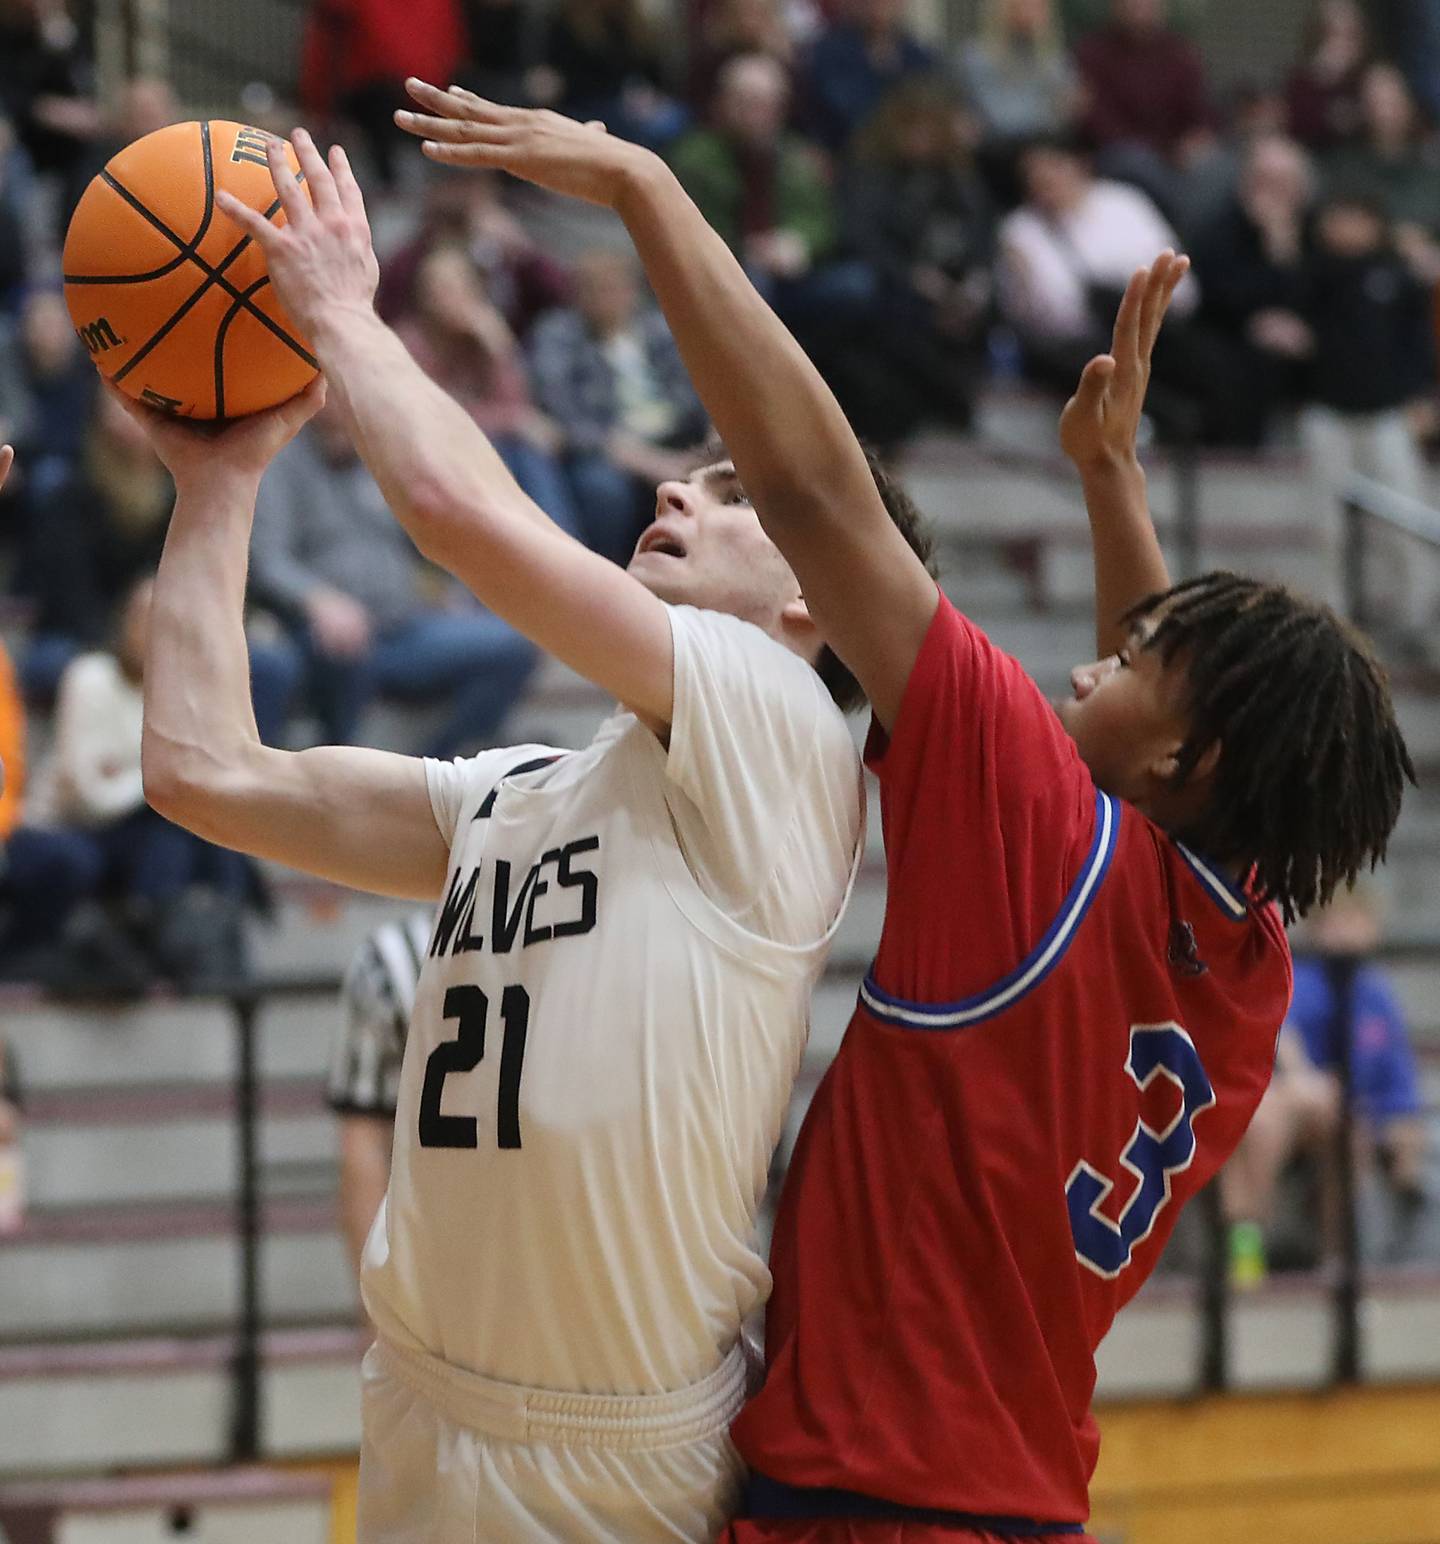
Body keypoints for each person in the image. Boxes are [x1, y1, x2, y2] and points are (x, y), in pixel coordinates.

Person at [398, 84, 1413, 1542]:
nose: (1085, 658)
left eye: (1125, 661)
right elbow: (1174, 757)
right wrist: (1112, 481)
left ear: (1189, 757)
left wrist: (648, 192)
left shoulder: (1038, 828)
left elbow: (815, 489)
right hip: (1007, 1495)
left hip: (870, 1502)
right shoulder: (1245, 962)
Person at [135, 124, 933, 1543]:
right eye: (686, 472)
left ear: (818, 607)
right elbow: (204, 774)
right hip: (423, 1406)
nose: (680, 487)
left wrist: (338, 311)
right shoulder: (521, 791)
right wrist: (222, 482)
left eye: (734, 492)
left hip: (610, 1445)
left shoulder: (793, 737)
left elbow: (456, 511)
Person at [248, 393, 540, 757]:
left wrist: (443, 589)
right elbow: (267, 560)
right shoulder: (279, 462)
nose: (344, 399)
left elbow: (423, 541)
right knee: (340, 648)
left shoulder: (381, 457)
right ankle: (339, 770)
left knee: (511, 646)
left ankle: (443, 769)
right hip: (325, 632)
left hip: (404, 625)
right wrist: (317, 599)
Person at [1224, 885, 1431, 1281]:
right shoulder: (1298, 980)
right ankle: (1244, 1254)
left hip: (1344, 1114)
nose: (1345, 933)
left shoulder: (1377, 995)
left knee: (1350, 1128)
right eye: (1336, 923)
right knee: (1265, 1121)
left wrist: (1405, 1131)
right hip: (1280, 1103)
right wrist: (1304, 1080)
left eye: (1355, 921)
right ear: (1317, 930)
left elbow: (1399, 1086)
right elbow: (1279, 1038)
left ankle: (1336, 1261)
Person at [1296, 191, 1439, 632]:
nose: (1347, 228)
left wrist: (1423, 396)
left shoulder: (1397, 274)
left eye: (1357, 217)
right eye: (1338, 217)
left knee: (1404, 516)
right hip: (1327, 412)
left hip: (1387, 414)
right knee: (1328, 526)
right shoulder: (1309, 272)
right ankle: (1331, 619)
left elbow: (1418, 342)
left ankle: (1418, 615)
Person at [528, 249, 709, 565]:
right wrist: (648, 462)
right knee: (602, 488)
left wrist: (711, 443)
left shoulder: (657, 328)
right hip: (608, 447)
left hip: (676, 434)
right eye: (596, 289)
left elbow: (702, 387)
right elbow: (564, 418)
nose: (609, 297)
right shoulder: (558, 336)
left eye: (617, 287)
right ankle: (609, 570)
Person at [328, 911, 433, 1282]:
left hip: (437, 1262)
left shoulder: (389, 957)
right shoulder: (591, 941)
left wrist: (373, 1314)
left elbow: (364, 1144)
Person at [1074, 0, 1230, 236]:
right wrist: (1158, 151)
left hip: (1175, 157)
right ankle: (1179, 233)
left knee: (1219, 166)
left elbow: (1200, 109)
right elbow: (1097, 119)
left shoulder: (1181, 53)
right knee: (1134, 161)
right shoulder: (1093, 53)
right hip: (1120, 154)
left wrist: (1197, 137)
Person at [800, 0, 939, 153]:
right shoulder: (828, 52)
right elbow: (844, 112)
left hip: (915, 160)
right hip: (850, 156)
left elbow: (932, 106)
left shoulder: (918, 55)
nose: (879, 6)